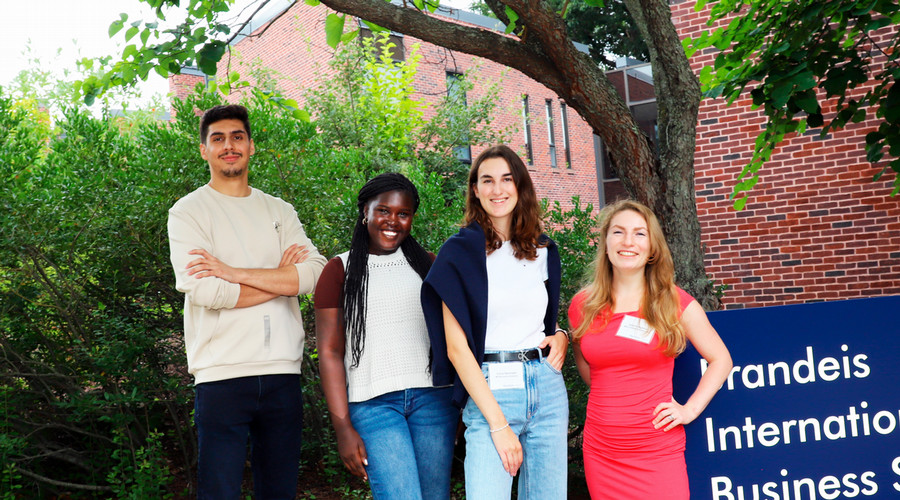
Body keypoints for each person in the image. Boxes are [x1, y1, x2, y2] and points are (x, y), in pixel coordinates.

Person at [167, 104, 326, 499]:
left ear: (251, 146)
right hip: (220, 375)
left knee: (279, 491)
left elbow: (314, 273)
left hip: (282, 374)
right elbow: (207, 291)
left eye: (237, 136)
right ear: (204, 150)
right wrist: (280, 279)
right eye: (217, 139)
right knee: (219, 492)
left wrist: (234, 272)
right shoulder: (188, 212)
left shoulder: (279, 210)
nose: (229, 146)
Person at [421, 145, 569, 500]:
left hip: (546, 387)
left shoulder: (543, 250)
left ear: (520, 186)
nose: (497, 189)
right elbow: (457, 350)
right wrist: (499, 425)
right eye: (487, 180)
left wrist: (561, 334)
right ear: (475, 189)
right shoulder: (458, 253)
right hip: (491, 390)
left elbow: (542, 320)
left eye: (506, 179)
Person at [567, 199, 733, 499]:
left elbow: (721, 359)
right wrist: (615, 401)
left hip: (656, 451)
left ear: (652, 247)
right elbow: (585, 361)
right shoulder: (582, 306)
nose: (628, 242)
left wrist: (688, 410)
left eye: (639, 234)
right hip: (601, 451)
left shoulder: (673, 301)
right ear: (605, 242)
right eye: (618, 232)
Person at [315, 173, 458, 500]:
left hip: (434, 401)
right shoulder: (339, 271)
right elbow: (330, 353)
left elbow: (454, 340)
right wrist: (342, 428)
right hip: (373, 404)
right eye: (383, 211)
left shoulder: (430, 267)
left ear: (412, 218)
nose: (392, 221)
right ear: (365, 211)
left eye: (402, 213)